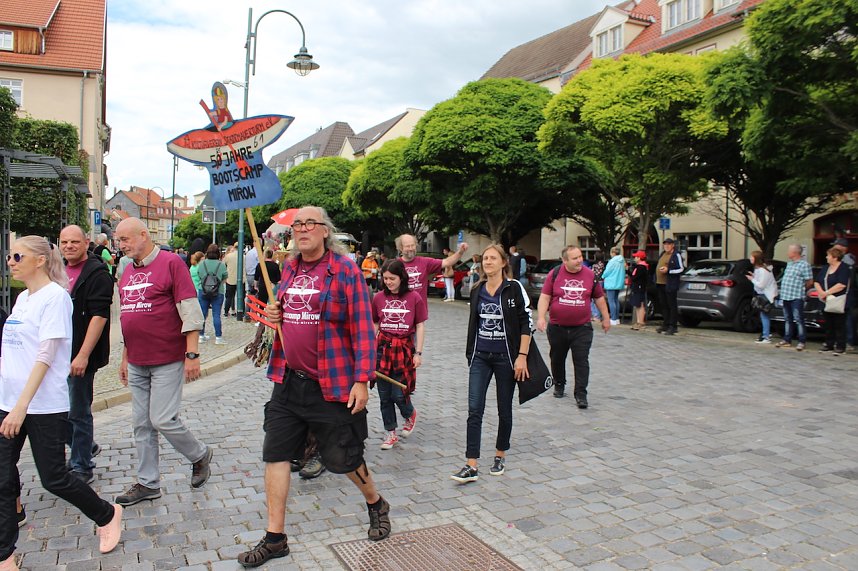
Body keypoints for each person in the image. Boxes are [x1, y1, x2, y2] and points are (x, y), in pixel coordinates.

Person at [238, 206, 390, 567]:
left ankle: (375, 501)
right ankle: (275, 539)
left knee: (343, 458)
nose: (303, 229)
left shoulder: (346, 270)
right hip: (289, 381)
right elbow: (286, 312)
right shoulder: (289, 268)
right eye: (298, 225)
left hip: (332, 383)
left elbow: (363, 328)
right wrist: (277, 315)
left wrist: (362, 380)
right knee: (275, 454)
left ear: (325, 232)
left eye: (310, 224)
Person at [0, 237, 123, 568]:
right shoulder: (23, 298)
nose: (10, 261)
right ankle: (5, 555)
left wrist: (22, 406)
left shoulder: (55, 298)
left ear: (39, 260)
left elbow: (45, 355)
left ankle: (108, 514)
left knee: (53, 477)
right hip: (9, 401)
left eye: (17, 255)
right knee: (1, 477)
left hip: (41, 405)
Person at [114, 218, 213, 507]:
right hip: (137, 359)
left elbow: (191, 311)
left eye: (125, 239)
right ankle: (148, 483)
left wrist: (192, 354)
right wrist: (124, 357)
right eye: (119, 240)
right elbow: (127, 317)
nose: (121, 245)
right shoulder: (127, 271)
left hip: (167, 357)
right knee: (141, 424)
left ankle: (199, 454)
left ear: (144, 235)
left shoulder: (171, 263)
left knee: (162, 419)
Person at [451, 244, 532, 484]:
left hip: (506, 357)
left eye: (492, 258)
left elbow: (526, 323)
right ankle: (471, 463)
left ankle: (499, 454)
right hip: (481, 357)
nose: (487, 262)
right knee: (474, 409)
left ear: (503, 262)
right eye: (485, 258)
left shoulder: (514, 288)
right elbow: (474, 323)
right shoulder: (477, 289)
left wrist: (522, 356)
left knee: (504, 409)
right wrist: (470, 352)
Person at [59, 225, 112, 484]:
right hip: (55, 353)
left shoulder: (96, 273)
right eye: (64, 241)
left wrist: (82, 355)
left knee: (78, 410)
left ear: (86, 242)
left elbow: (99, 316)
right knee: (55, 411)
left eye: (74, 242)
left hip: (79, 352)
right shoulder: (56, 270)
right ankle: (85, 445)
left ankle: (82, 465)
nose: (69, 246)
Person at [537, 245, 610, 409]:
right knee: (557, 358)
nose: (579, 260)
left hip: (582, 328)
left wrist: (606, 318)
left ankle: (581, 394)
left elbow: (599, 298)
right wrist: (541, 317)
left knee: (581, 360)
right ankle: (559, 384)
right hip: (557, 327)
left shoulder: (590, 275)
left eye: (580, 256)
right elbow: (545, 297)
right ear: (565, 260)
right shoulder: (555, 274)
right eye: (575, 258)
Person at [371, 259, 426, 450]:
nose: (388, 282)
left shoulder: (414, 298)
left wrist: (418, 352)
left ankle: (409, 413)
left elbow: (419, 325)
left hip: (403, 350)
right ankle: (390, 433)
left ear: (401, 277)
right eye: (385, 278)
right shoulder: (378, 298)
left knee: (399, 394)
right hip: (382, 350)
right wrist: (370, 346)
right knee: (385, 395)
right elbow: (375, 323)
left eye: (392, 278)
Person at [395, 234, 468, 307]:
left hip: (419, 310)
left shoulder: (424, 262)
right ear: (401, 248)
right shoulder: (394, 265)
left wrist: (460, 252)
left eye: (413, 245)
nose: (411, 248)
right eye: (407, 246)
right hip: (401, 308)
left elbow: (447, 262)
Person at [775, 244, 814, 351]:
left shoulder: (804, 265)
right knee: (787, 319)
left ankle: (802, 341)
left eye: (789, 251)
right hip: (786, 295)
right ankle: (787, 339)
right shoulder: (789, 264)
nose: (787, 253)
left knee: (798, 319)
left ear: (795, 252)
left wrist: (801, 289)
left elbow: (809, 282)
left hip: (796, 296)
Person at [815, 247, 851, 355]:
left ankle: (840, 346)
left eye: (828, 255)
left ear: (835, 257)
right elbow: (817, 281)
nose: (826, 257)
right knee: (828, 324)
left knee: (839, 324)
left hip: (839, 300)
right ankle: (829, 344)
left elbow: (841, 284)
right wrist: (821, 292)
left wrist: (826, 293)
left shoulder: (844, 268)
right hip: (826, 301)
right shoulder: (826, 268)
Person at [746, 251, 778, 344]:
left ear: (756, 259)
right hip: (764, 294)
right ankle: (765, 334)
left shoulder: (763, 270)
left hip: (766, 295)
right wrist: (754, 276)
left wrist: (752, 279)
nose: (750, 259)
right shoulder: (760, 269)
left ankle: (766, 336)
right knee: (763, 315)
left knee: (764, 316)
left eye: (752, 257)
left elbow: (761, 285)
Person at [198, 244, 228, 345]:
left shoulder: (202, 264)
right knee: (216, 315)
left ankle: (201, 336)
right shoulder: (221, 264)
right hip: (218, 291)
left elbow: (199, 275)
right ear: (218, 253)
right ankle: (218, 338)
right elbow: (225, 278)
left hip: (202, 291)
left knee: (202, 314)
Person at [656, 238, 684, 335]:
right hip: (660, 283)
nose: (666, 246)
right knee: (663, 305)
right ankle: (666, 324)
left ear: (673, 245)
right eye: (665, 244)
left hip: (670, 284)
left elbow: (681, 269)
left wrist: (668, 270)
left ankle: (673, 326)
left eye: (668, 244)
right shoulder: (662, 254)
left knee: (671, 305)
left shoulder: (676, 255)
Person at [601, 247, 626, 326]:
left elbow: (607, 271)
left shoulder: (612, 261)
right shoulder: (622, 261)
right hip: (618, 282)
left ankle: (613, 318)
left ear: (613, 253)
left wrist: (603, 276)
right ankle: (617, 318)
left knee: (611, 301)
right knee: (616, 300)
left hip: (611, 282)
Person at [629, 251, 649, 331]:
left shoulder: (641, 267)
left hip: (639, 287)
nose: (634, 258)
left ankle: (641, 322)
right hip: (637, 287)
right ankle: (638, 321)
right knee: (637, 305)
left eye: (636, 257)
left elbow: (634, 277)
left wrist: (628, 271)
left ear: (640, 258)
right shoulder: (639, 267)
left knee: (640, 305)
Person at [223, 244, 239, 317]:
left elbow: (223, 266)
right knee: (231, 296)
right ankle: (232, 311)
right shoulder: (241, 256)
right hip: (234, 279)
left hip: (230, 279)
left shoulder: (227, 257)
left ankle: (228, 311)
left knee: (230, 296)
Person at [589, 252, 606, 320]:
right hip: (601, 282)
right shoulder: (603, 265)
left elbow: (591, 274)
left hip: (596, 282)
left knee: (593, 299)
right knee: (599, 298)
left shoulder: (595, 266)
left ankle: (596, 315)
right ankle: (598, 315)